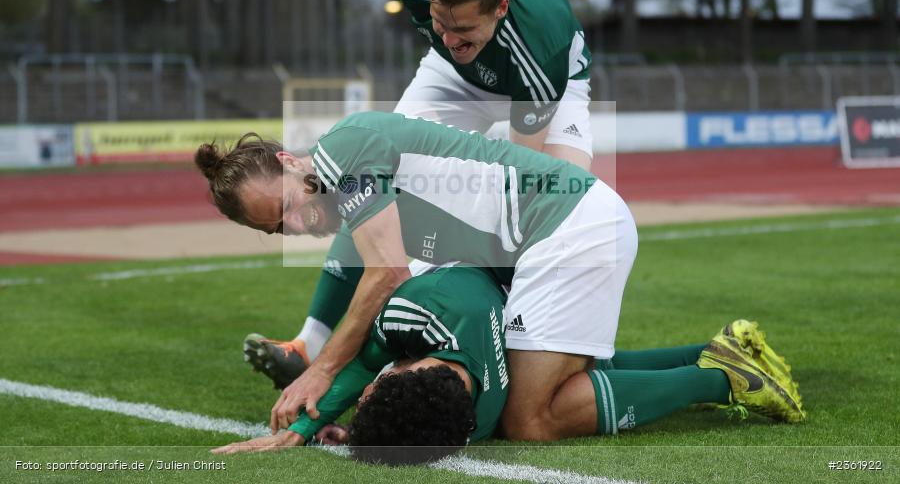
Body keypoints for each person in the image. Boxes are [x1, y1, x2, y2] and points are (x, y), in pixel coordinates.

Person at [195, 113, 805, 448]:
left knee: (529, 419)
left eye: (287, 205)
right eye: (279, 230)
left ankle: (721, 380)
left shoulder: (343, 152)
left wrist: (319, 369)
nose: (298, 224)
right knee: (546, 382)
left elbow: (387, 277)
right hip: (551, 239)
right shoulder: (365, 206)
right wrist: (319, 422)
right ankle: (711, 352)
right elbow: (392, 331)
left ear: (288, 162)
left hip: (567, 230)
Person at [250, 0, 595, 380]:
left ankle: (531, 349)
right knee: (366, 179)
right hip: (451, 80)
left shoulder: (539, 48)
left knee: (559, 210)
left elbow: (516, 172)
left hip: (545, 85)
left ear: (501, 9)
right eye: (440, 23)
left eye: (463, 28)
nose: (449, 38)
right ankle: (308, 344)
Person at [214, 265, 509, 465]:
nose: (364, 390)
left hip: (486, 287)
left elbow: (412, 424)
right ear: (408, 369)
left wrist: (363, 435)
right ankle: (310, 342)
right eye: (375, 388)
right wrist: (298, 431)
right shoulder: (412, 309)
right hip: (453, 259)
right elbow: (365, 365)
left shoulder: (473, 425)